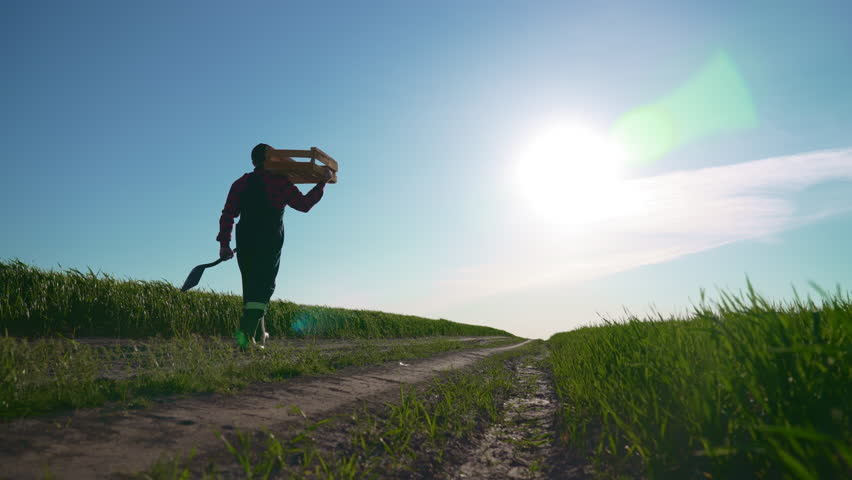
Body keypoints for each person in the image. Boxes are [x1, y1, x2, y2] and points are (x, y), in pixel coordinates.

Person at [217, 143, 331, 349]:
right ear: (272, 159)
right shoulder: (279, 182)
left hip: (245, 242)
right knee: (264, 288)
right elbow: (304, 205)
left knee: (251, 288)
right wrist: (322, 182)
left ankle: (260, 335)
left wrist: (225, 244)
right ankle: (245, 338)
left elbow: (228, 215)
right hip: (269, 243)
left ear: (254, 161)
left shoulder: (240, 183)